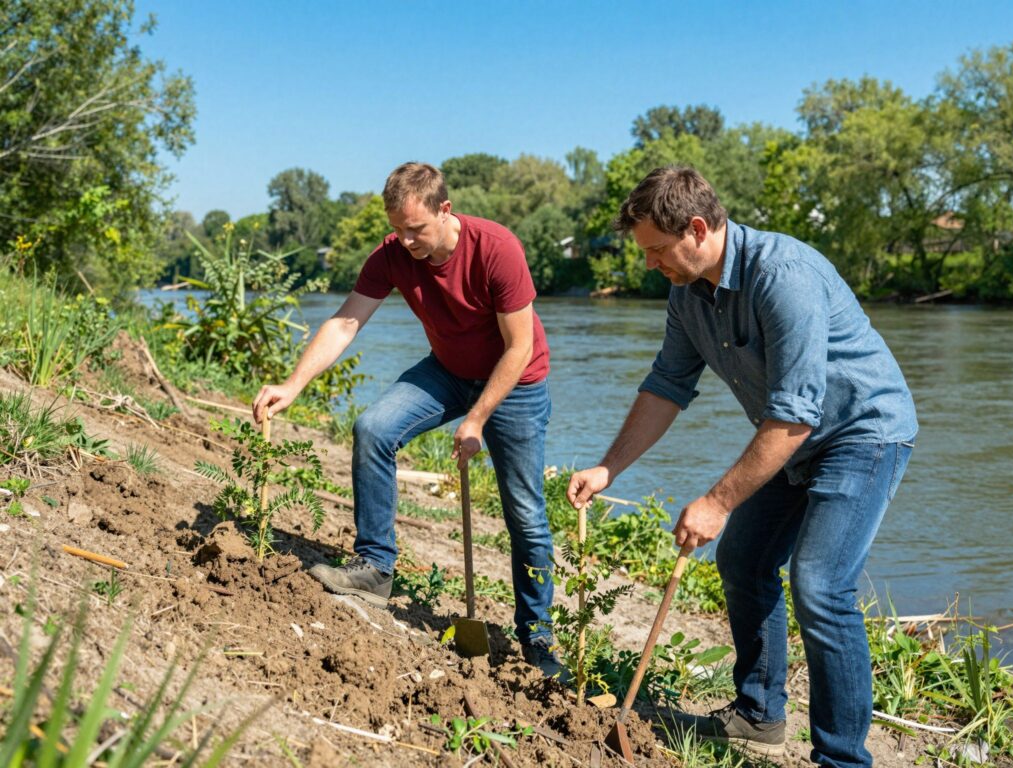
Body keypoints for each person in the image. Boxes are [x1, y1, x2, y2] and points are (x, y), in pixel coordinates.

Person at [567, 166, 917, 766]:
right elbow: (667, 385)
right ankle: (758, 715)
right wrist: (609, 468)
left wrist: (718, 502)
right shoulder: (687, 294)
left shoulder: (784, 276)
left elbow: (793, 415)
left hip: (862, 434)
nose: (650, 264)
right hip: (794, 437)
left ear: (697, 229)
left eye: (655, 250)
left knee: (820, 586)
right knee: (743, 559)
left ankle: (842, 758)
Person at [252, 162, 559, 675]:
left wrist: (477, 419)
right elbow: (347, 320)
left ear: (445, 209)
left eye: (415, 229)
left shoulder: (496, 248)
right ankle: (374, 568)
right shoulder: (392, 256)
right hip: (448, 371)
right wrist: (294, 382)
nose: (407, 241)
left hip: (516, 382)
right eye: (397, 229)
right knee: (373, 428)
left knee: (524, 514)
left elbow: (519, 347)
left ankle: (537, 638)